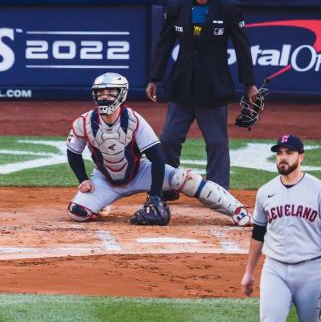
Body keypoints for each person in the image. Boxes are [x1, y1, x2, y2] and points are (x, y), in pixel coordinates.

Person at [65, 72, 251, 226]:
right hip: (105, 179)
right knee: (78, 213)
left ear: (121, 94)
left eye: (110, 92)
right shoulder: (84, 122)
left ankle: (237, 210)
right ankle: (101, 204)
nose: (105, 96)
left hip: (141, 172)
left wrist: (155, 195)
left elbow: (157, 158)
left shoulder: (134, 120)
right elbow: (73, 152)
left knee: (185, 179)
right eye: (101, 92)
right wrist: (83, 179)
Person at [148, 0, 257, 199]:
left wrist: (249, 83)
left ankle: (218, 192)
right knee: (168, 139)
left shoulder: (229, 8)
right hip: (182, 85)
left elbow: (242, 47)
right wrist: (154, 77)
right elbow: (165, 42)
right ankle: (167, 187)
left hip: (213, 86)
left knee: (217, 143)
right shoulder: (177, 5)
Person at [240, 134, 321, 322]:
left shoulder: (318, 189)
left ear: (301, 157)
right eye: (279, 153)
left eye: (288, 153)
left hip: (311, 271)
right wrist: (249, 272)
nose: (283, 158)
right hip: (275, 270)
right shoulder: (266, 191)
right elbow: (258, 235)